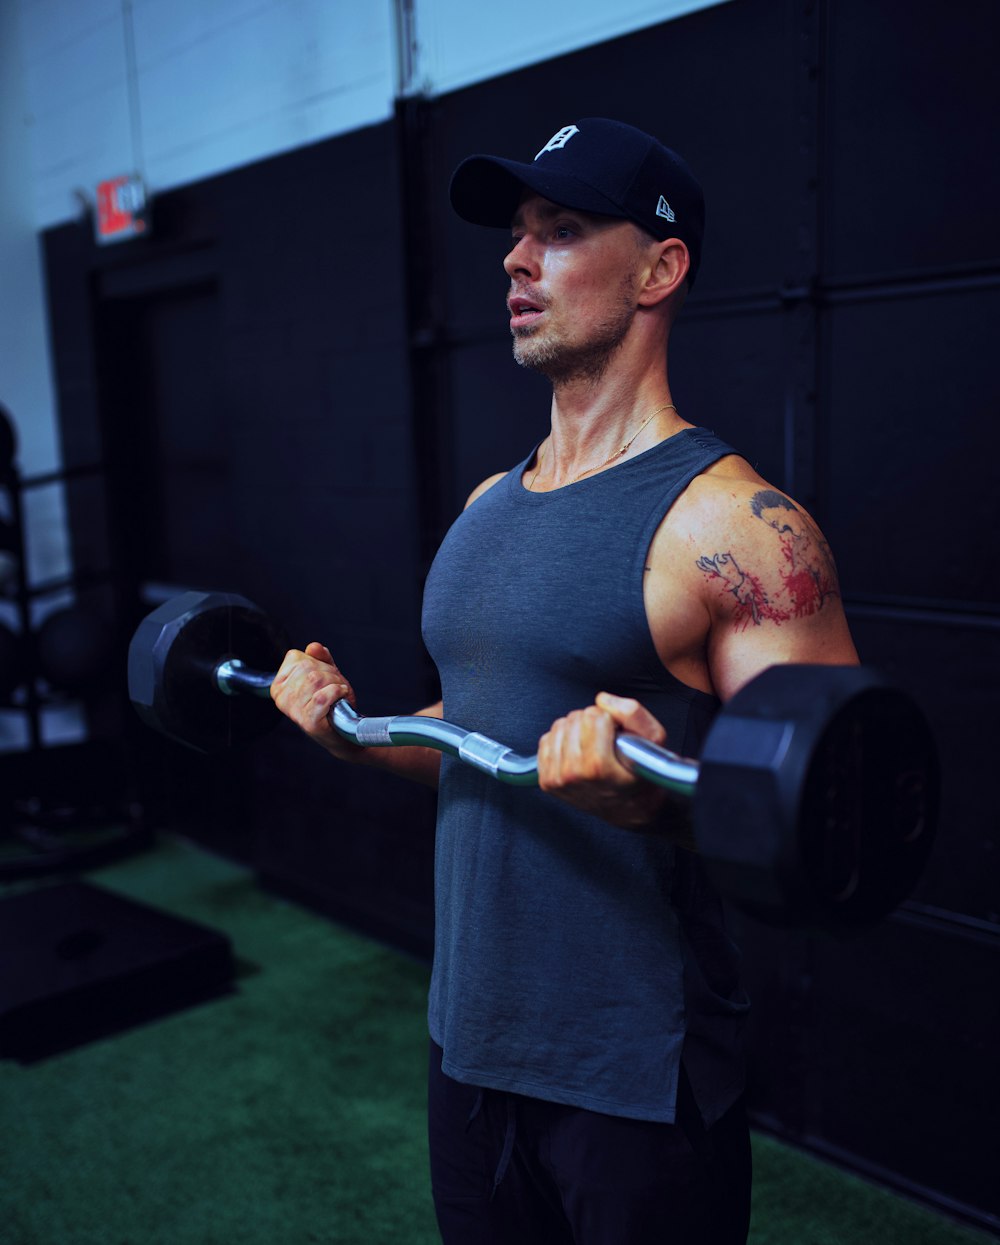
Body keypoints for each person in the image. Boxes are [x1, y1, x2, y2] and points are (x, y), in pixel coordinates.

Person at [271, 118, 859, 1244]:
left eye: (563, 228)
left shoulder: (735, 526)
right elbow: (468, 732)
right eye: (515, 234)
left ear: (659, 267)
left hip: (635, 1077)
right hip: (469, 1046)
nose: (515, 258)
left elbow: (827, 819)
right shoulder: (487, 505)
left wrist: (649, 793)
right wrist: (352, 732)